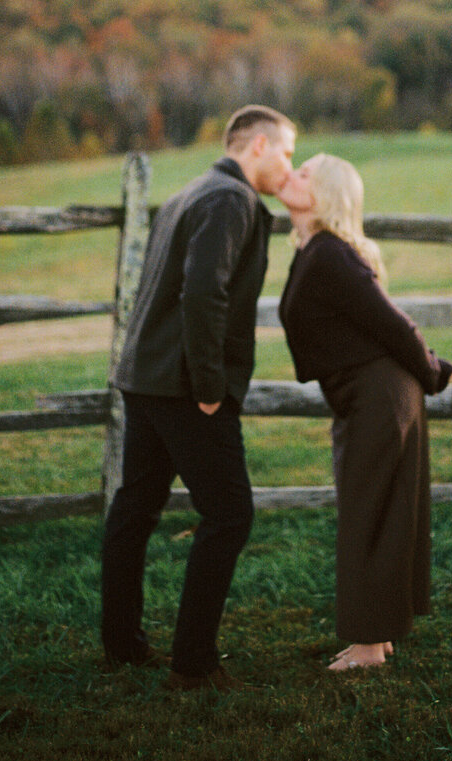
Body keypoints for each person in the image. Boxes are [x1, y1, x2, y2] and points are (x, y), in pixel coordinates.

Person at [101, 105, 296, 690]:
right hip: (185, 386)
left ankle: (123, 645)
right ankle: (193, 663)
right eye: (286, 151)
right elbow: (202, 295)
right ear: (257, 145)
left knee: (134, 508)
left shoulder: (193, 190)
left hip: (146, 377)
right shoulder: (229, 200)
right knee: (231, 513)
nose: (288, 165)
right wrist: (210, 389)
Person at [277, 154, 452, 671]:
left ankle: (369, 646)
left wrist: (431, 372)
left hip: (381, 393)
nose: (291, 175)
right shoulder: (314, 249)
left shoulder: (332, 254)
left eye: (304, 173)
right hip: (367, 393)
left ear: (326, 194)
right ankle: (380, 633)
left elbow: (395, 324)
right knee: (376, 509)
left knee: (370, 513)